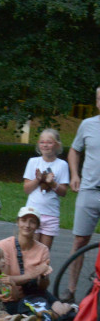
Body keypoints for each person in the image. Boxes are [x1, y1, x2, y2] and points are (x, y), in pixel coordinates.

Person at [0, 206, 75, 320]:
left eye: (32, 222)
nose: (27, 225)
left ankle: (66, 310)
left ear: (37, 226)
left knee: (62, 310)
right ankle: (46, 315)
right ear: (17, 222)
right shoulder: (3, 245)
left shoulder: (43, 250)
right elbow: (5, 280)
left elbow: (42, 287)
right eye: (23, 221)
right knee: (42, 315)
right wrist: (31, 275)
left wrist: (43, 277)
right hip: (12, 296)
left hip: (34, 293)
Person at [65, 87, 100, 301]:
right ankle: (69, 290)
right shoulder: (88, 125)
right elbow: (74, 150)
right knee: (80, 241)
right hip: (89, 189)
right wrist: (74, 174)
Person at [23, 128, 69, 249]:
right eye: (42, 142)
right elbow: (26, 189)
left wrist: (52, 183)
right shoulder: (33, 162)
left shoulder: (62, 165)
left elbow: (63, 192)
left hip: (51, 213)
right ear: (38, 144)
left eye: (49, 142)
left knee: (44, 253)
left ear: (57, 145)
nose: (45, 145)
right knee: (30, 250)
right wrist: (38, 180)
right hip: (33, 211)